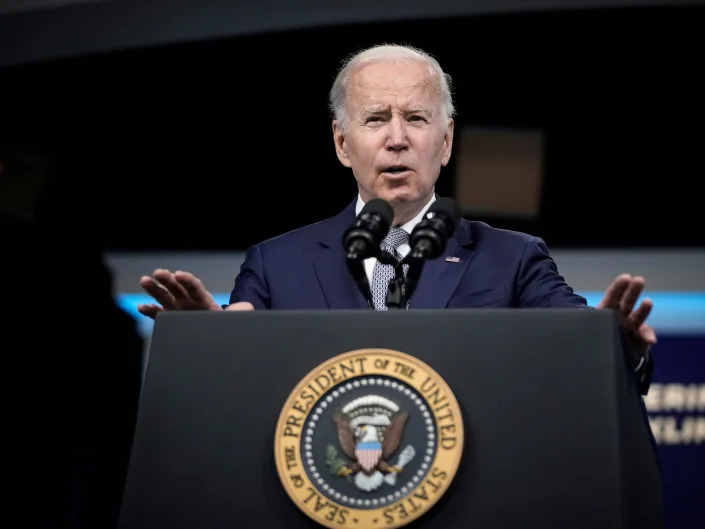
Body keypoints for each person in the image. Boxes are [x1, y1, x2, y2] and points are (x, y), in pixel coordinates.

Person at [138, 43, 655, 394]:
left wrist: (618, 348)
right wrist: (204, 349)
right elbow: (237, 386)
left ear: (446, 140)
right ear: (343, 143)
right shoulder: (277, 265)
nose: (397, 138)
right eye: (376, 119)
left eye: (415, 118)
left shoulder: (513, 259)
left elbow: (581, 351)